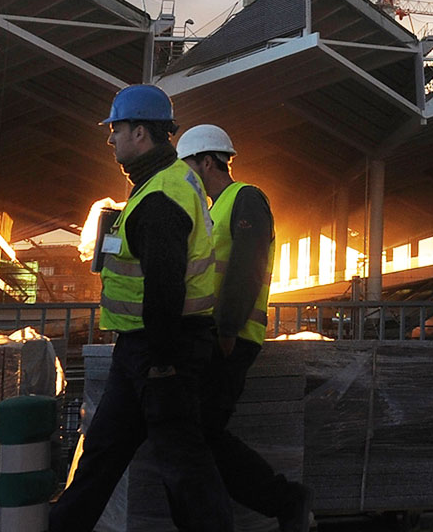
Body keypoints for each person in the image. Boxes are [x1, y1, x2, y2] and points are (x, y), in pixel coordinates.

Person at [50, 85, 233, 532]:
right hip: (142, 352)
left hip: (160, 354)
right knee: (104, 456)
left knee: (184, 470)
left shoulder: (158, 196)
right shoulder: (161, 184)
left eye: (115, 130)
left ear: (140, 133)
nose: (110, 140)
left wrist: (163, 363)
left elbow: (165, 287)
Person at [178, 124, 314, 532]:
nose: (185, 178)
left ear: (206, 161)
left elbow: (247, 264)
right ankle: (280, 501)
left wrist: (227, 327)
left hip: (231, 337)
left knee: (202, 430)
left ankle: (284, 500)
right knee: (201, 431)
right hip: (218, 334)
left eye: (188, 168)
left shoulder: (245, 198)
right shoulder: (214, 207)